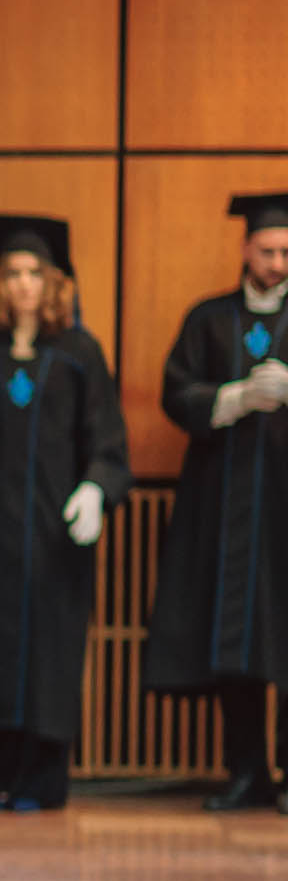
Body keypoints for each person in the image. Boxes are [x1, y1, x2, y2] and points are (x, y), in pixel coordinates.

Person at [0, 215, 131, 810]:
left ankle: (41, 779)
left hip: (55, 538)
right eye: (13, 273)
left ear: (54, 282)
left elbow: (107, 439)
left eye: (34, 273)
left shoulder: (80, 354)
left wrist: (95, 489)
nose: (23, 284)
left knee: (52, 653)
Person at [145, 191, 288, 811]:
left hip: (281, 507)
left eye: (287, 252)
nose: (278, 263)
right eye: (268, 250)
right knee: (236, 637)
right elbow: (175, 392)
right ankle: (247, 772)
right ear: (245, 248)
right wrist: (233, 399)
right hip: (223, 505)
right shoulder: (208, 318)